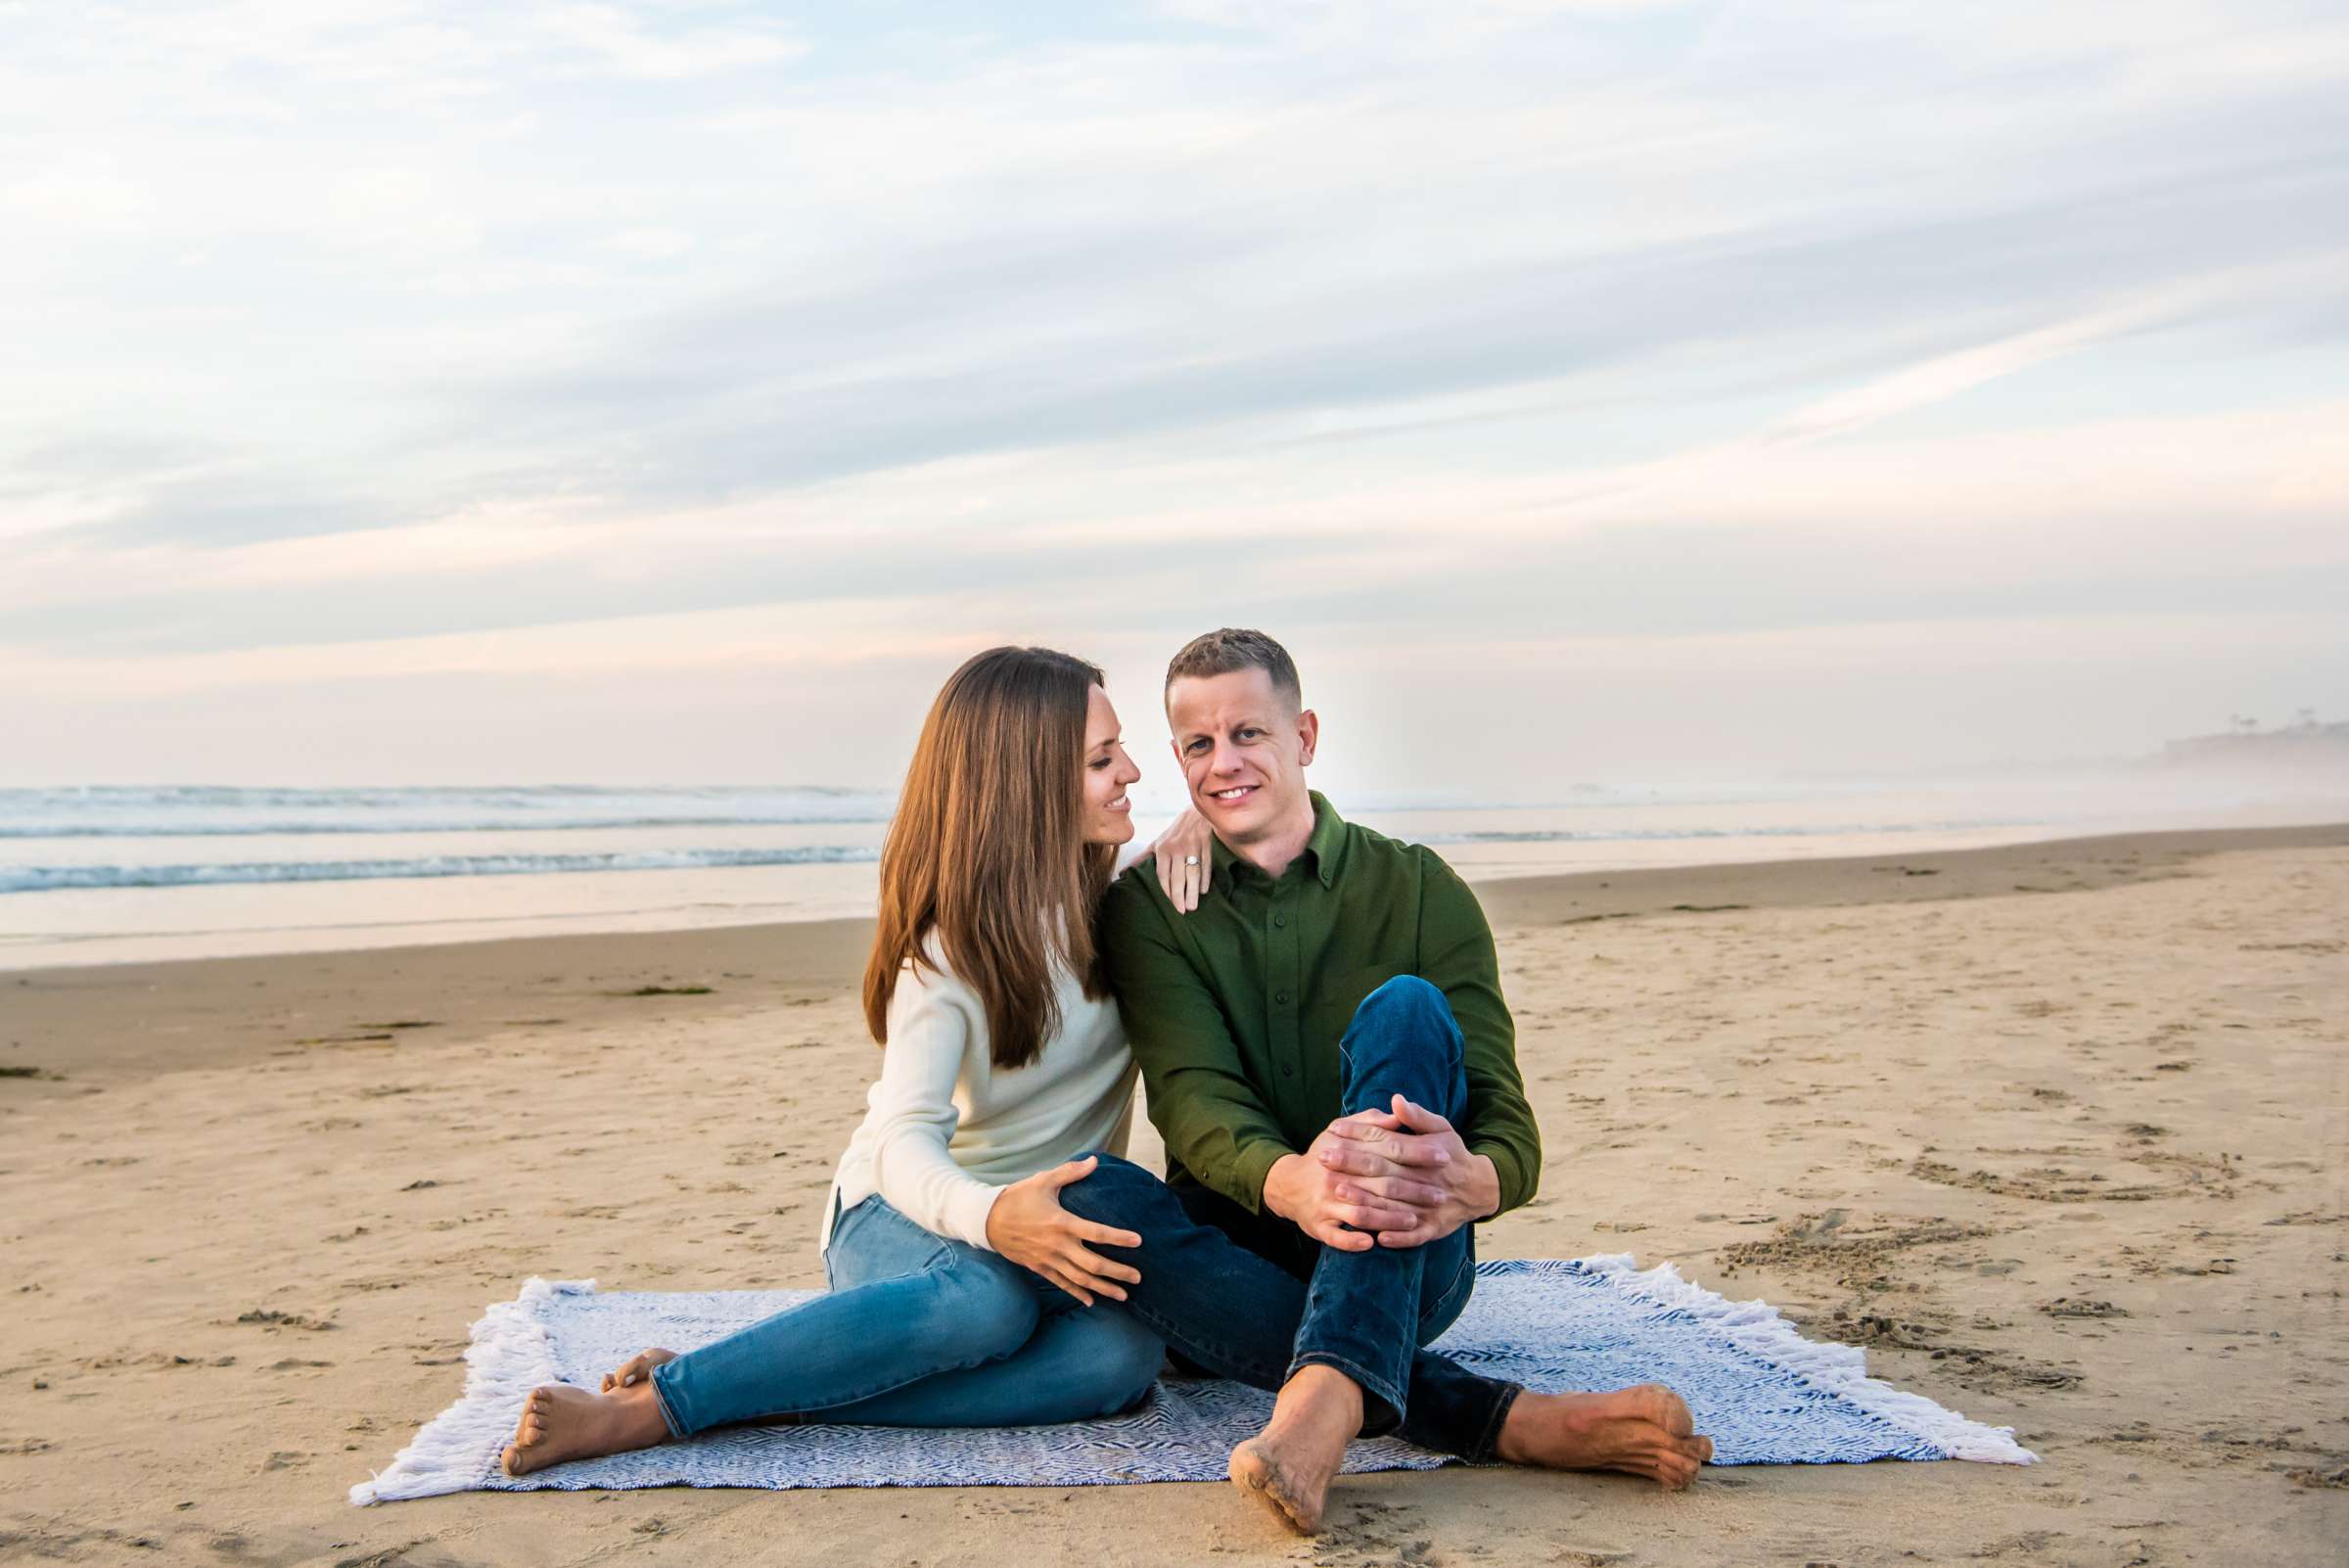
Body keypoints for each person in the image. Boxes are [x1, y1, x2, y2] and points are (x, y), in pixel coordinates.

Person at [1056, 627, 1714, 1534]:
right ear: (1177, 758)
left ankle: (1318, 1411)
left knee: (1406, 1007)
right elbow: (1192, 1098)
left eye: (1249, 733)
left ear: (1307, 737)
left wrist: (1481, 1181)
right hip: (1232, 1255)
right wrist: (1298, 1183)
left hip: (1414, 1249)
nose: (1225, 763)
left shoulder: (1419, 888)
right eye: (1200, 745)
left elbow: (1502, 1111)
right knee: (1092, 1194)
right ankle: (1506, 1421)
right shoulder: (1151, 908)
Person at [500, 646, 1207, 1476]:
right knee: (986, 1307)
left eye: (1118, 748)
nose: (1131, 768)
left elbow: (1263, 815)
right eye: (1099, 758)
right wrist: (990, 1220)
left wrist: (1207, 819)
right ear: (1026, 781)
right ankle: (656, 1408)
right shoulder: (948, 953)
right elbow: (905, 1143)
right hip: (905, 1217)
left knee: (1118, 1362)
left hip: (1046, 1231)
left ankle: (773, 1387)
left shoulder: (1130, 914)